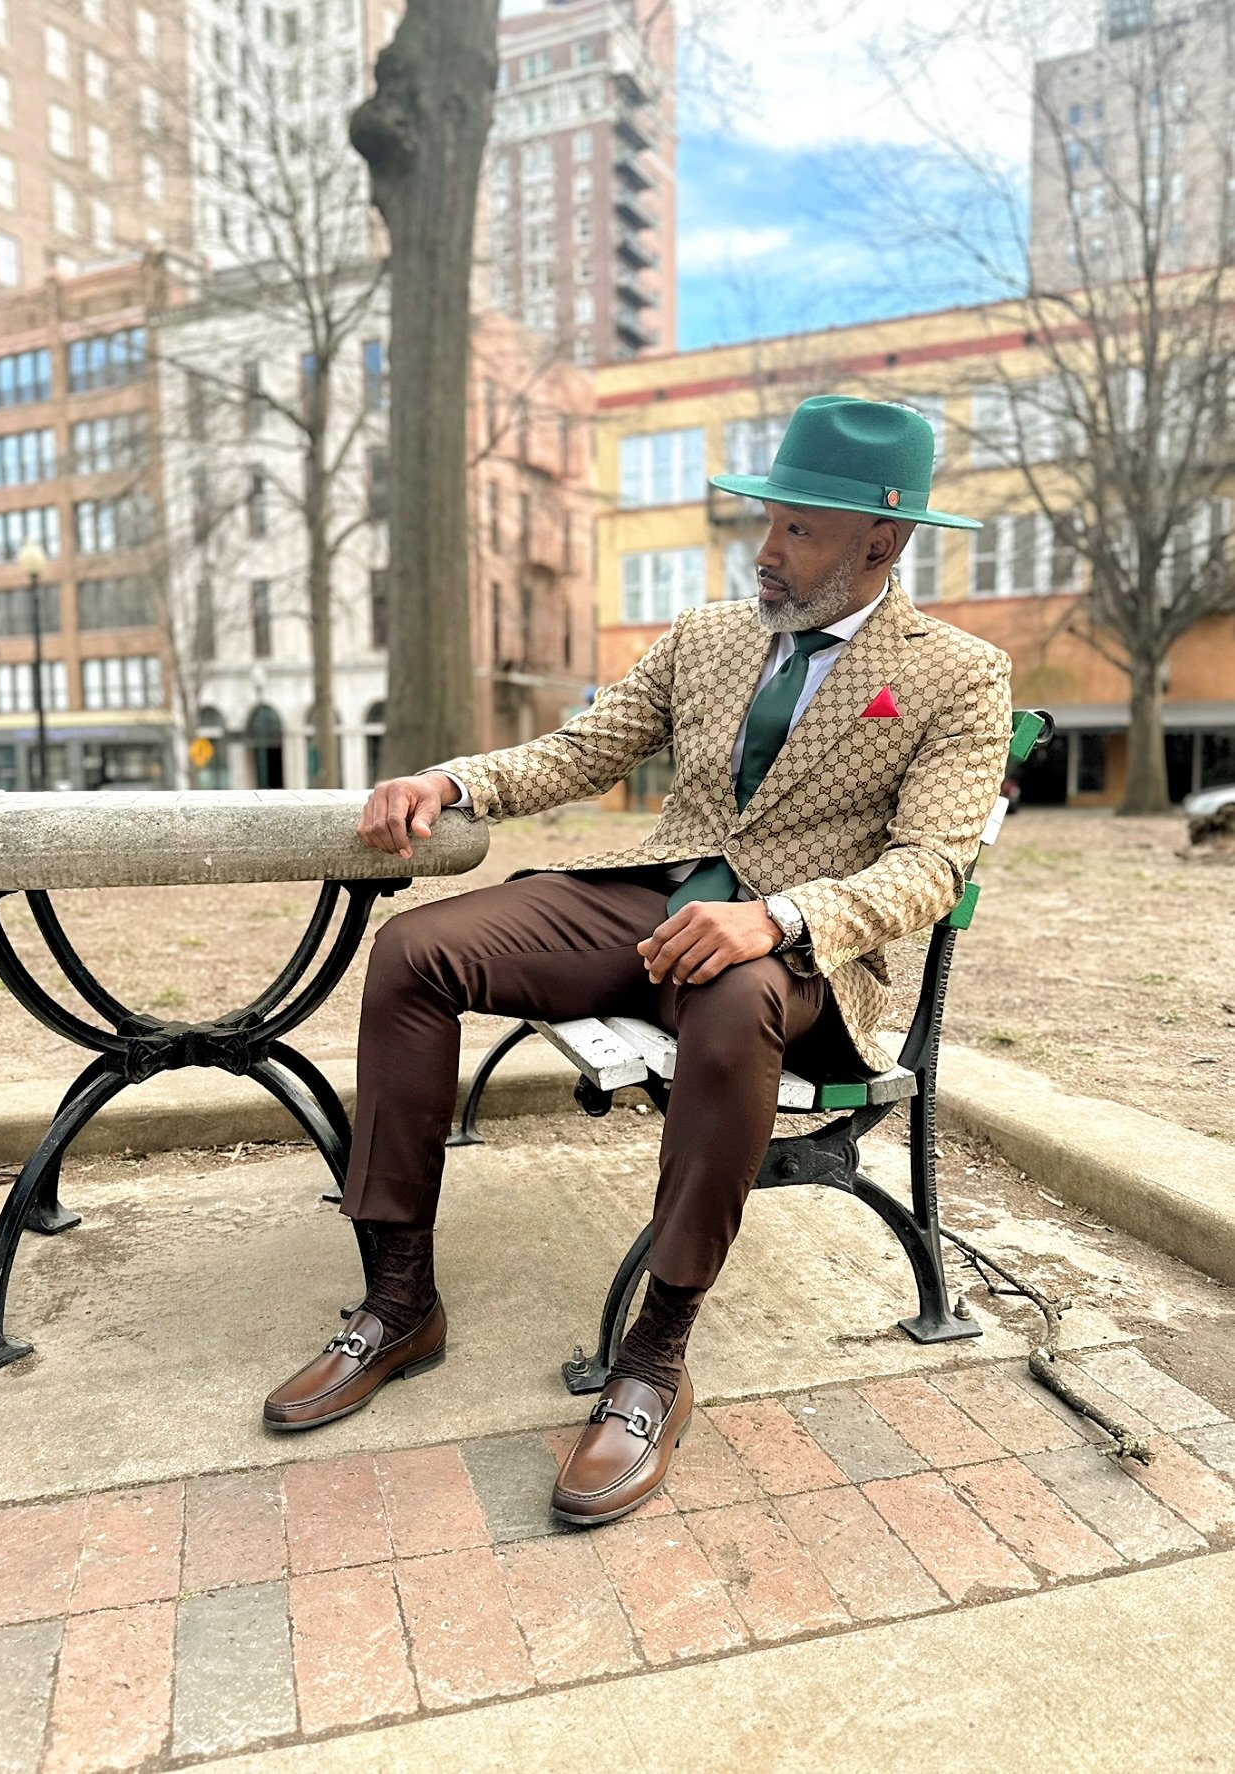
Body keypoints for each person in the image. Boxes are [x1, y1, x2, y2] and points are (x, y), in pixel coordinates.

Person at [264, 394, 1012, 1527]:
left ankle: (656, 1358)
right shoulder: (707, 639)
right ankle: (399, 1300)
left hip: (798, 965)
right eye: (766, 521)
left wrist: (780, 919)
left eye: (798, 531)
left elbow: (932, 866)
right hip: (652, 901)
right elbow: (579, 752)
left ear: (883, 544)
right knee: (414, 950)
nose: (765, 550)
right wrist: (451, 781)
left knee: (732, 995)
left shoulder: (959, 674)